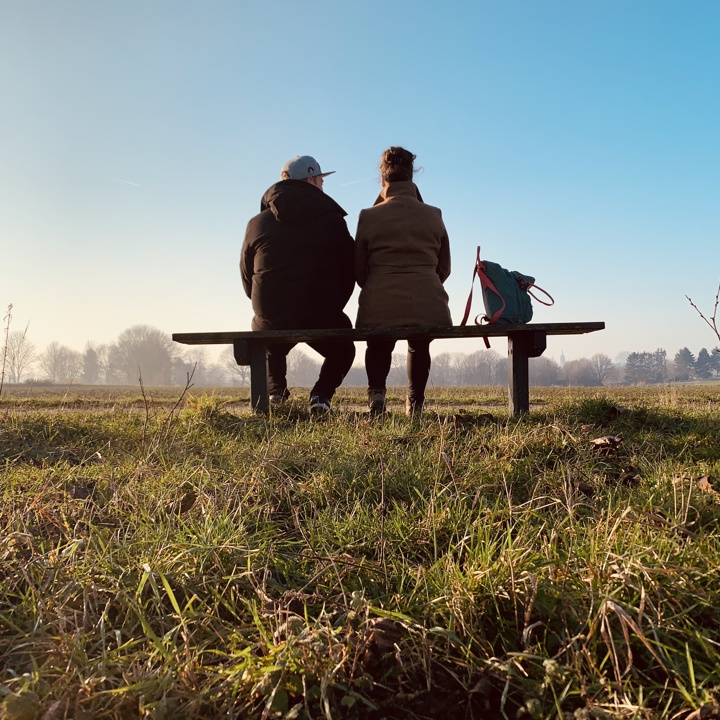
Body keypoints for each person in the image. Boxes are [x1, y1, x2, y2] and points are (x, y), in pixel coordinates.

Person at [240, 155, 355, 414]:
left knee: (269, 342)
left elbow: (247, 275)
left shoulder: (256, 224)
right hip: (322, 313)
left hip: (272, 315)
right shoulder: (333, 219)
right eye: (322, 180)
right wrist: (333, 304)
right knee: (344, 349)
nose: (324, 186)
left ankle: (276, 393)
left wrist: (265, 305)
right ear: (312, 179)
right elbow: (351, 269)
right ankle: (321, 396)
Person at [355, 147, 452, 416]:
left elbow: (359, 269)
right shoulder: (434, 214)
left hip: (379, 301)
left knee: (378, 343)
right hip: (428, 302)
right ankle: (415, 401)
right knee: (419, 343)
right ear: (412, 178)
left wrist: (378, 285)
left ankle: (377, 395)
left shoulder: (368, 216)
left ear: (383, 180)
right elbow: (444, 268)